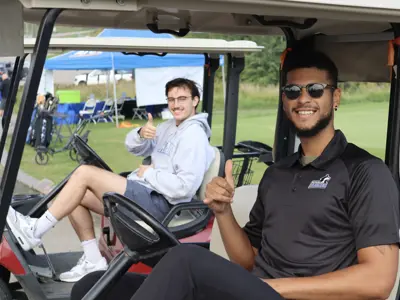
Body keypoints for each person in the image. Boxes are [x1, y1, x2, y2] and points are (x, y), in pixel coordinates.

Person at [71, 49, 400, 300]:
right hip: (254, 289)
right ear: (284, 100)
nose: (303, 99)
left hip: (290, 296)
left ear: (335, 97)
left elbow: (378, 281)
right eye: (292, 91)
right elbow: (246, 261)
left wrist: (273, 286)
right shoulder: (278, 174)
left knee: (185, 260)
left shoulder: (365, 172)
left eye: (315, 90)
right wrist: (223, 212)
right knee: (97, 286)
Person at [6, 77, 216, 283]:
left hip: (162, 205)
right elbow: (133, 147)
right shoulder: (170, 127)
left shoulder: (194, 136)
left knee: (85, 173)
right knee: (74, 194)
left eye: (182, 99)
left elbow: (184, 188)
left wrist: (149, 174)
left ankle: (34, 231)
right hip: (146, 193)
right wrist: (141, 133)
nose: (176, 104)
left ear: (195, 100)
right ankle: (93, 260)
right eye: (172, 99)